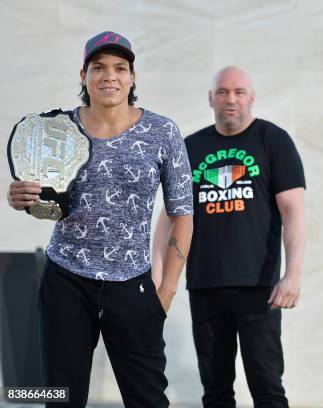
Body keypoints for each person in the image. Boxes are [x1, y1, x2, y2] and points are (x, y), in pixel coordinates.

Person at [7, 31, 193, 407]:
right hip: (66, 280)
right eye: (99, 67)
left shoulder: (162, 133)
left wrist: (166, 292)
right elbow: (45, 201)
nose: (110, 76)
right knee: (60, 397)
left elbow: (182, 213)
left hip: (132, 284)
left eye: (120, 68)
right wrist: (19, 198)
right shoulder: (55, 130)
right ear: (83, 75)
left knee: (148, 399)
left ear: (132, 76)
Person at [153, 66, 306, 407]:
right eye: (222, 92)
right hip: (205, 288)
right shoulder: (191, 147)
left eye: (238, 92)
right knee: (216, 391)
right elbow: (169, 218)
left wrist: (292, 275)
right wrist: (158, 276)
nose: (230, 99)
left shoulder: (273, 140)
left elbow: (293, 211)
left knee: (267, 387)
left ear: (252, 97)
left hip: (259, 289)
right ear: (210, 98)